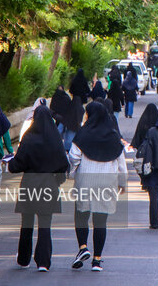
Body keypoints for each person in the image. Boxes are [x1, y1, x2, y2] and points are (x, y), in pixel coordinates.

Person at [8, 106, 69, 272]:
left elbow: (17, 164)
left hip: (29, 184)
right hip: (48, 185)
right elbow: (63, 164)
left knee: (26, 223)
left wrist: (10, 163)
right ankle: (43, 262)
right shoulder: (55, 138)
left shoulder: (29, 138)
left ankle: (23, 259)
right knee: (45, 224)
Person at [69, 102, 128, 272]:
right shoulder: (113, 137)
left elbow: (74, 157)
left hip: (86, 182)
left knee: (81, 216)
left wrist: (73, 171)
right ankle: (97, 260)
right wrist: (122, 183)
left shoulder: (82, 135)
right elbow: (121, 163)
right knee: (100, 221)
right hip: (106, 184)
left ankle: (83, 247)